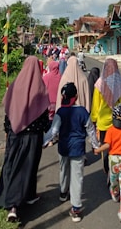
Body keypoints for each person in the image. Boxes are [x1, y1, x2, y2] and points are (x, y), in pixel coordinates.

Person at [0, 56, 50, 222]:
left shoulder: (14, 86)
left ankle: (14, 199)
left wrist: (7, 130)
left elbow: (8, 111)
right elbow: (44, 120)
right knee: (29, 167)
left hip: (14, 134)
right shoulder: (40, 89)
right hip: (32, 138)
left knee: (12, 165)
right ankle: (15, 204)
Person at [43, 82, 99, 222]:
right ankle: (76, 208)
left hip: (63, 147)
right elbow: (90, 130)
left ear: (63, 97)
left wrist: (42, 142)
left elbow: (54, 131)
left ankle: (63, 192)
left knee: (63, 170)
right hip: (78, 149)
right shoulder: (82, 111)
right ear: (76, 96)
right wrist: (95, 146)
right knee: (77, 177)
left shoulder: (60, 112)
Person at [93, 103, 121, 223]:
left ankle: (114, 192)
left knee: (113, 180)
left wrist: (97, 150)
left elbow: (107, 145)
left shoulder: (111, 130)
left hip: (113, 160)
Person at [90, 58, 121, 175]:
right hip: (118, 122)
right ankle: (116, 169)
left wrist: (94, 120)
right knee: (116, 147)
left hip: (103, 123)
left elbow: (95, 105)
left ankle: (108, 171)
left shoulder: (99, 84)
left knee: (105, 147)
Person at [43, 61, 62, 145]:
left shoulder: (46, 77)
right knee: (58, 119)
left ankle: (50, 140)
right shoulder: (61, 77)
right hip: (59, 102)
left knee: (49, 119)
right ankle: (58, 134)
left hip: (49, 102)